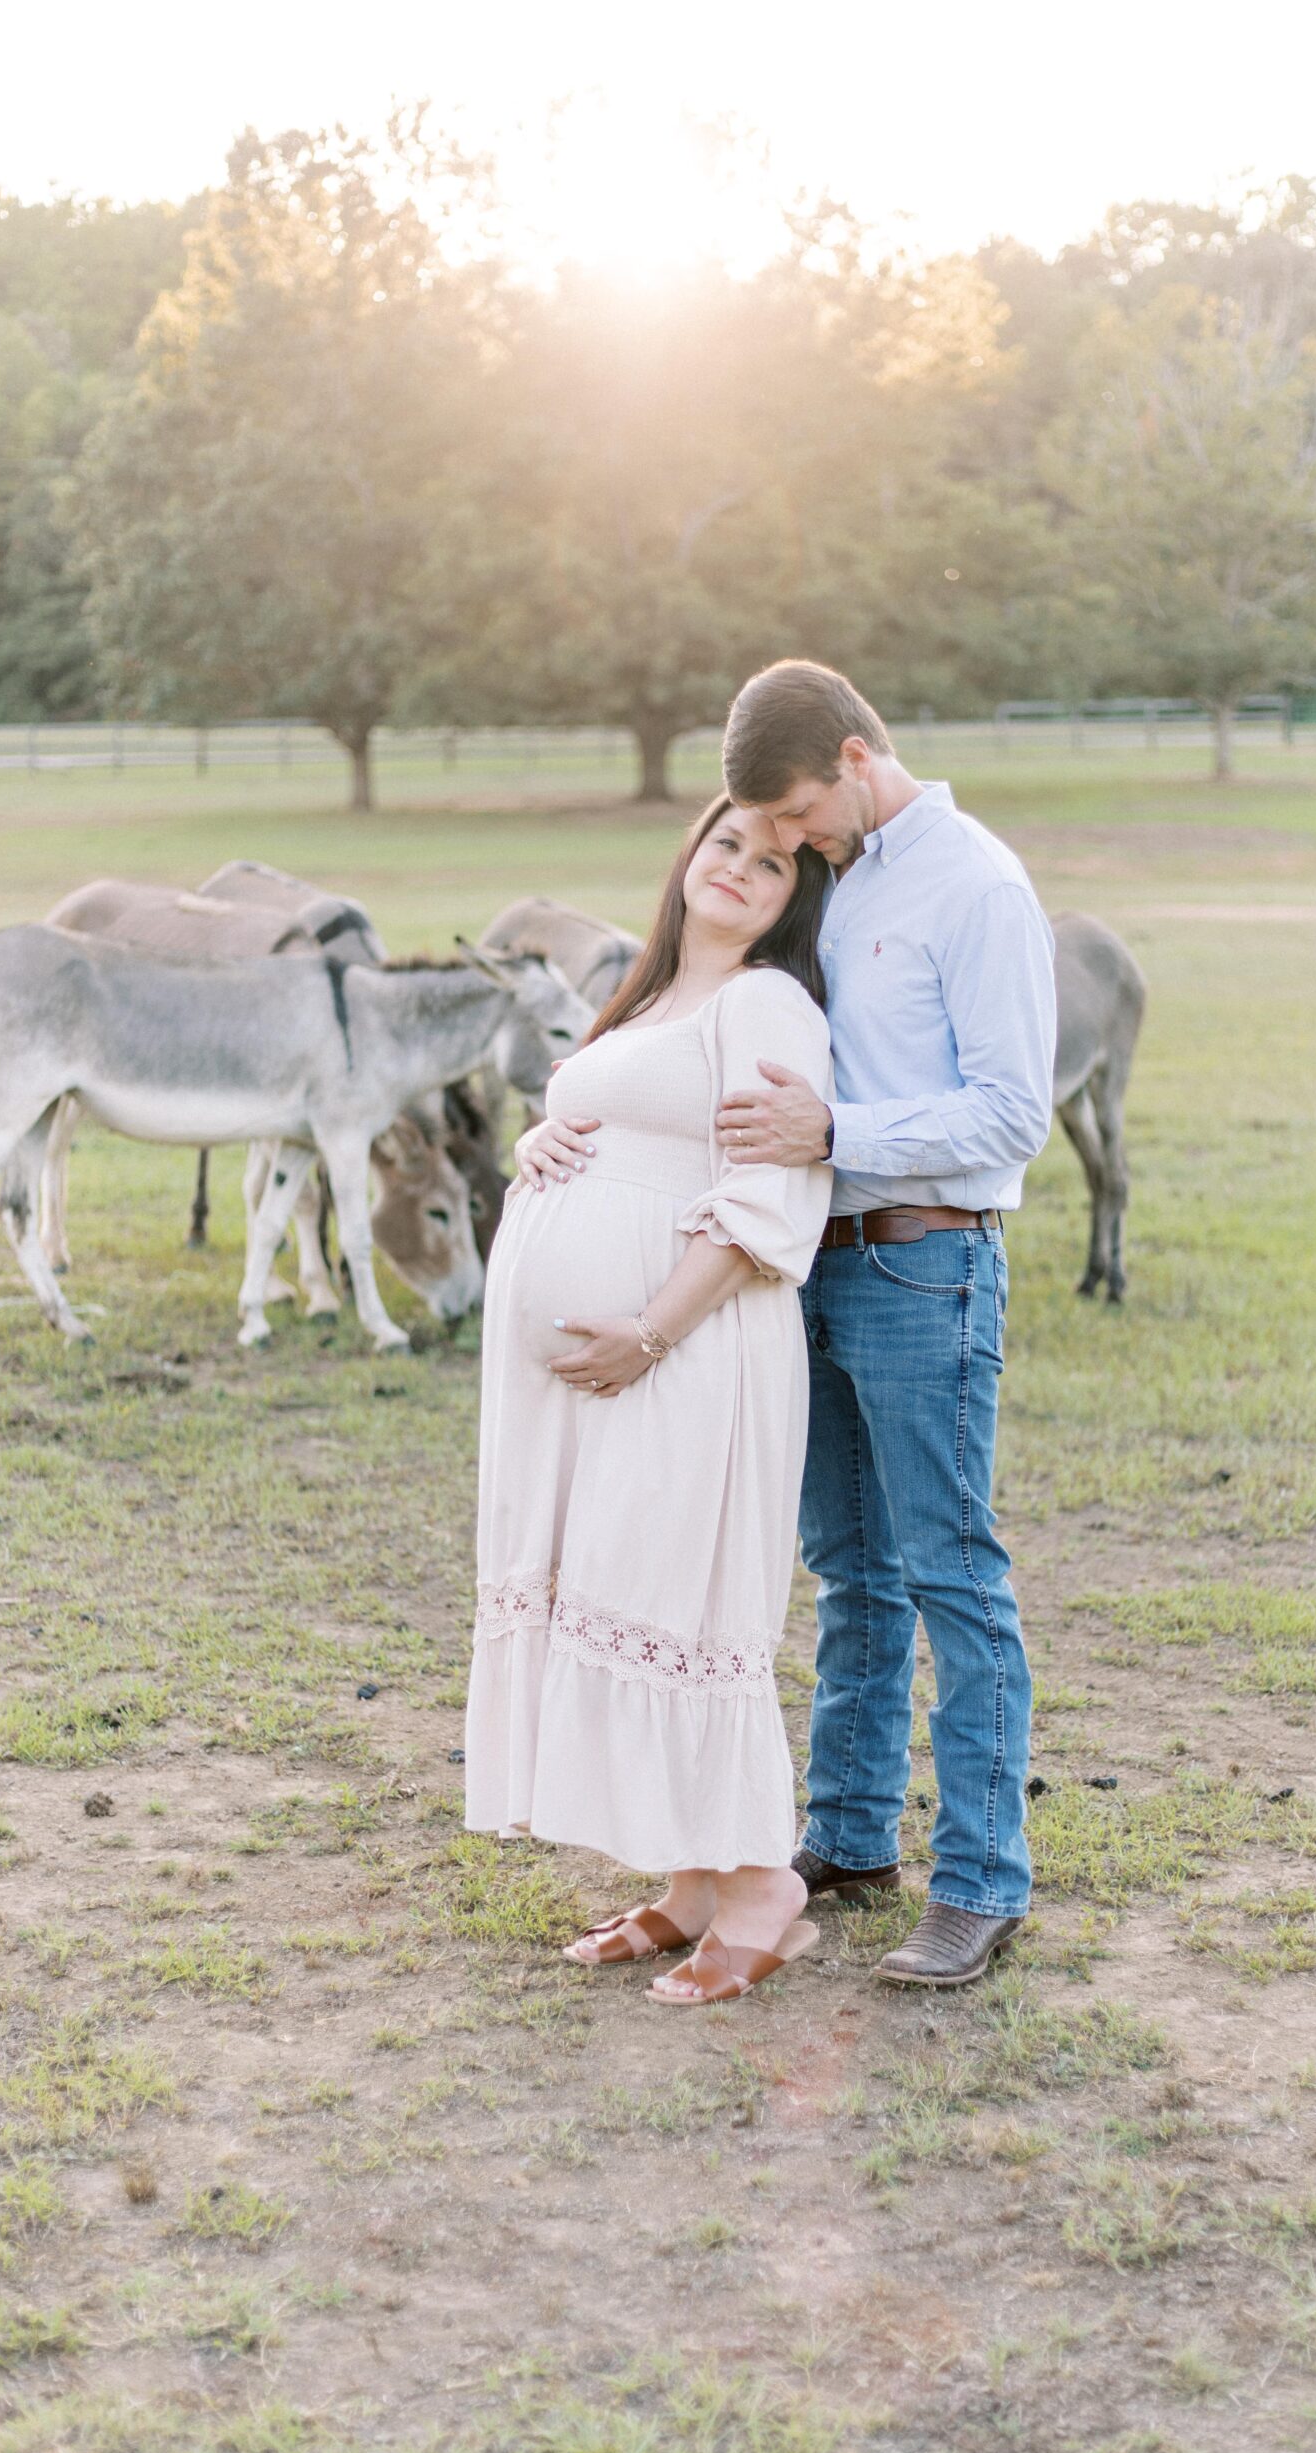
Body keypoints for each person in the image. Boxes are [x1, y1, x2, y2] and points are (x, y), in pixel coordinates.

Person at [530, 664, 1057, 1987]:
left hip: (921, 1264)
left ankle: (984, 1886)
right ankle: (849, 1835)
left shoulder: (973, 885)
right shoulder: (842, 876)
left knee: (948, 1569)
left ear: (852, 754)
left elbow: (1010, 1114)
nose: (793, 845)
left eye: (801, 817)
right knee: (848, 1570)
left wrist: (839, 1134)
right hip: (803, 1271)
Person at [464, 795, 836, 2008]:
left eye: (772, 862)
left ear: (795, 898)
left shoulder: (764, 1003)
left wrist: (650, 1329)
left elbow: (766, 1195)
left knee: (676, 1592)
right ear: (689, 855)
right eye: (725, 843)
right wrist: (539, 1145)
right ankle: (689, 1883)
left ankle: (760, 1890)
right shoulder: (655, 994)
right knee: (619, 1583)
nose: (738, 868)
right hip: (598, 1375)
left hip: (689, 1352)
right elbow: (614, 1127)